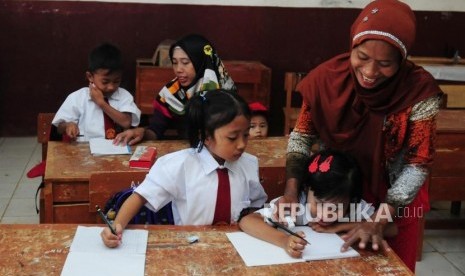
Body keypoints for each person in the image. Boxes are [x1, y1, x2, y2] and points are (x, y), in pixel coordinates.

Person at [276, 0, 442, 271]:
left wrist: (379, 219)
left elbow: (417, 163)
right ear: (352, 46)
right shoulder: (326, 79)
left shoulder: (418, 92)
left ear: (401, 60)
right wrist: (291, 192)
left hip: (396, 198)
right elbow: (302, 136)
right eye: (362, 58)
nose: (369, 72)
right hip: (342, 193)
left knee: (387, 267)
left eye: (385, 63)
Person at [101, 89, 267, 248]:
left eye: (246, 135)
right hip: (190, 245)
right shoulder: (178, 165)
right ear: (206, 136)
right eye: (232, 138)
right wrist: (116, 226)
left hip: (237, 246)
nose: (242, 144)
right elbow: (140, 196)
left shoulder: (249, 165)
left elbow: (255, 206)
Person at [239, 150, 397, 258]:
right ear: (307, 189)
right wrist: (283, 240)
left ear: (351, 199)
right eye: (319, 203)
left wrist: (341, 227)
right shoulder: (295, 206)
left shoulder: (353, 208)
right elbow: (248, 221)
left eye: (336, 208)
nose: (324, 214)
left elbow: (391, 229)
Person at [114, 34, 236, 145]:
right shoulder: (171, 94)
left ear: (201, 62)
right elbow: (156, 131)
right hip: (188, 154)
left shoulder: (223, 93)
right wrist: (142, 132)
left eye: (185, 62)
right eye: (174, 62)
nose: (178, 69)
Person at [52, 42, 141, 141]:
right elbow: (59, 128)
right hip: (84, 151)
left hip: (116, 150)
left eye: (116, 81)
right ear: (90, 77)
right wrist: (68, 125)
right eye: (105, 81)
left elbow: (126, 122)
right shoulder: (78, 98)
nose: (111, 87)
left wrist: (101, 103)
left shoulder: (124, 96)